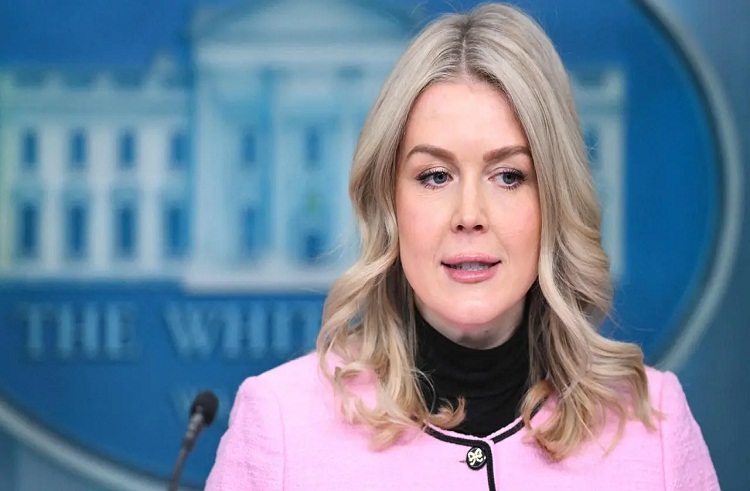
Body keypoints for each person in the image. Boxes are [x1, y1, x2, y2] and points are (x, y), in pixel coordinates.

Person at [205, 3, 719, 490]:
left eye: (508, 176)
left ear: (553, 199)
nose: (469, 215)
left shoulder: (654, 426)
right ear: (389, 202)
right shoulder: (279, 422)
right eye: (435, 175)